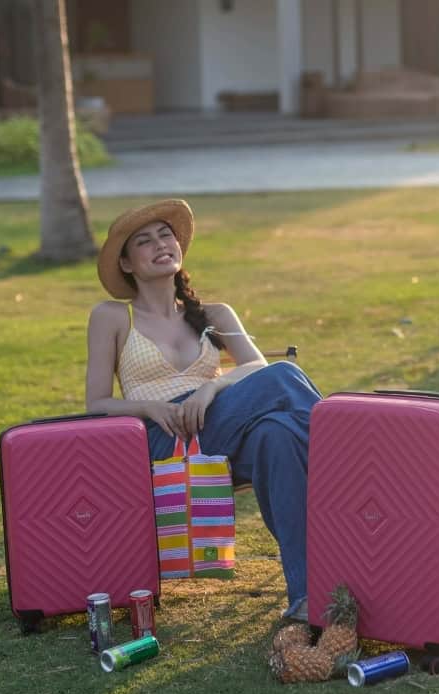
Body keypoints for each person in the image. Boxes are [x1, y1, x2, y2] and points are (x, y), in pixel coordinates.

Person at [85, 199, 319, 622]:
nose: (161, 244)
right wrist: (150, 406)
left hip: (219, 428)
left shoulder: (214, 314)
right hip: (163, 438)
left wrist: (211, 387)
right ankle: (347, 462)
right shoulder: (113, 317)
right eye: (144, 241)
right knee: (285, 375)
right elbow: (97, 404)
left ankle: (307, 598)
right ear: (126, 263)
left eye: (166, 235)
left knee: (279, 435)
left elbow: (254, 367)